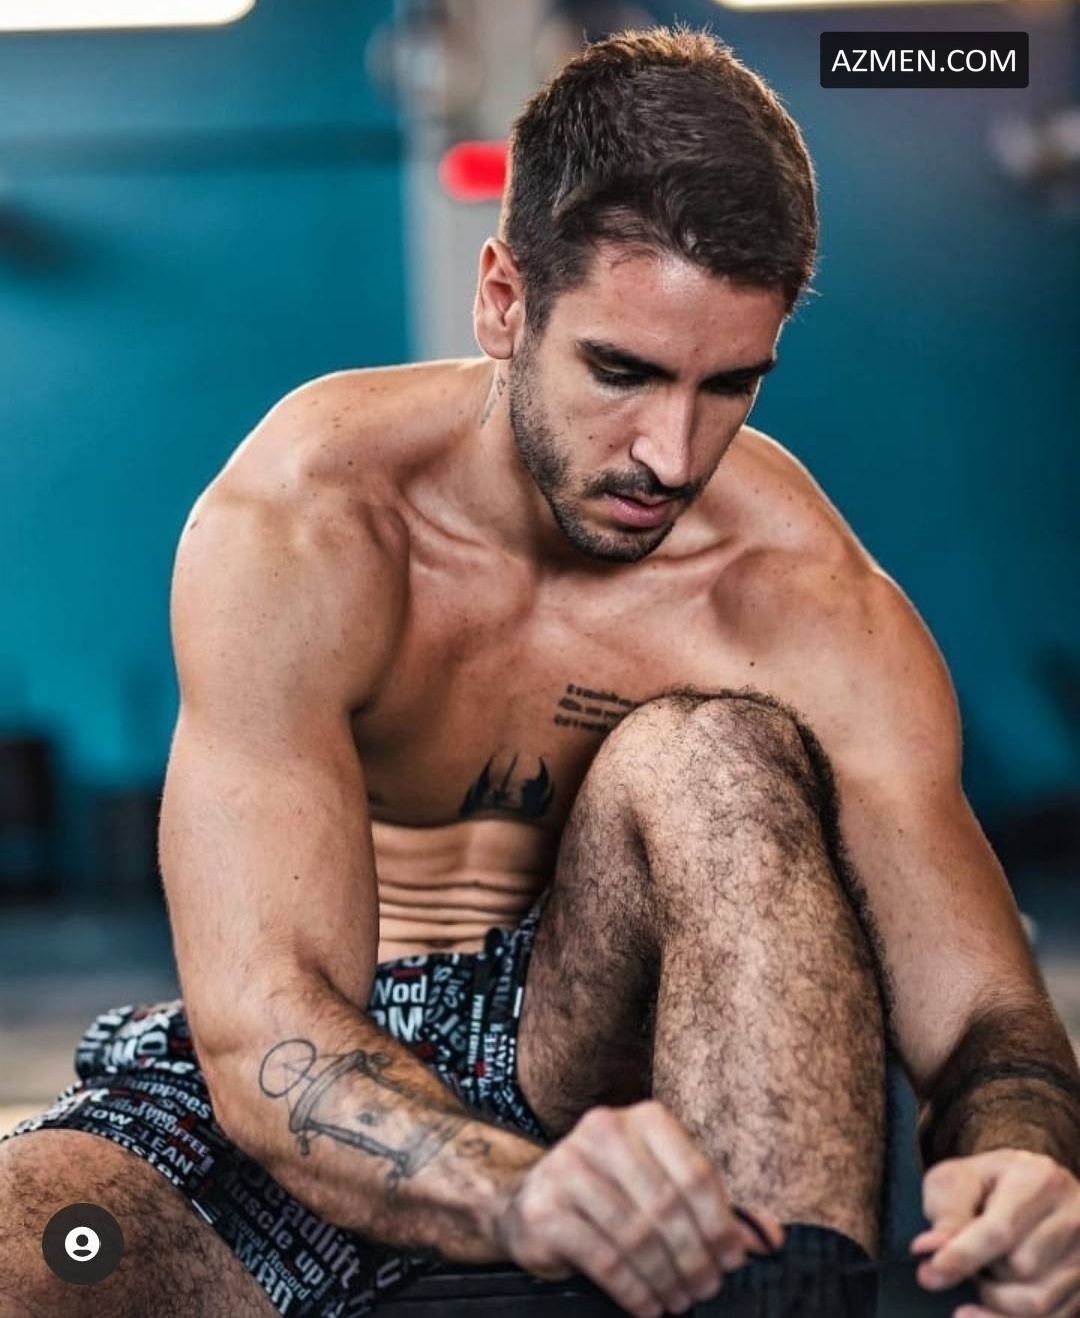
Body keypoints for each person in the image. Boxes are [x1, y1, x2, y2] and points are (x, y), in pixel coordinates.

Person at [2, 25, 1079, 1318]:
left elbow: (987, 1017)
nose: (671, 454)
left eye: (729, 386)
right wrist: (511, 1193)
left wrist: (1024, 1153)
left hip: (604, 1079)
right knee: (36, 1241)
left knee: (711, 756)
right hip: (323, 1078)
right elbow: (264, 1029)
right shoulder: (310, 521)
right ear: (505, 300)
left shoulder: (800, 596)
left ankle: (789, 1297)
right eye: (622, 372)